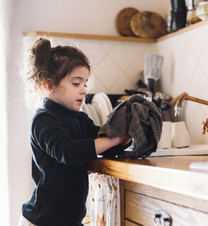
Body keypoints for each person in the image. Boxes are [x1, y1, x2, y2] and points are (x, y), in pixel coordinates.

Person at [19, 38, 131, 226]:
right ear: (49, 85)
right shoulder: (43, 120)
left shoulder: (80, 119)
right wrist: (115, 139)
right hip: (41, 221)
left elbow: (101, 142)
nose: (84, 90)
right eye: (76, 83)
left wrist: (126, 137)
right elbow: (68, 152)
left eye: (85, 84)